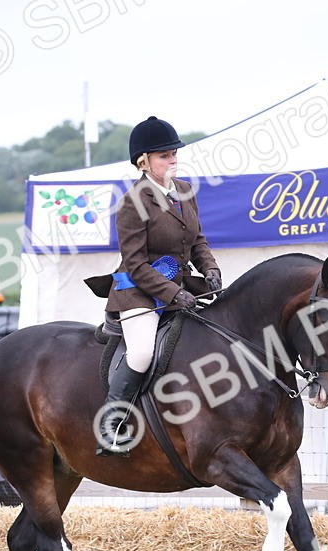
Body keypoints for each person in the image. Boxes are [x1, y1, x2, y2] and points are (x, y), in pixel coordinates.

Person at [88, 115, 223, 456]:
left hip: (179, 290)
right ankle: (111, 423)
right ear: (143, 162)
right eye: (164, 155)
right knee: (143, 352)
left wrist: (211, 269)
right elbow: (135, 263)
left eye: (174, 153)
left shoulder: (184, 193)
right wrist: (174, 294)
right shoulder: (133, 203)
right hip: (138, 293)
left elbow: (198, 241)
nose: (173, 159)